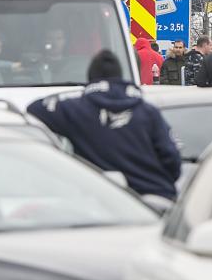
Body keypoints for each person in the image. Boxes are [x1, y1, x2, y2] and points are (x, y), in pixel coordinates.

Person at [27, 50, 182, 200]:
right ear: (121, 76)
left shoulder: (77, 109)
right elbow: (172, 160)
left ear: (90, 78)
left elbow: (35, 108)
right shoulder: (148, 112)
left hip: (102, 202)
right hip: (155, 198)